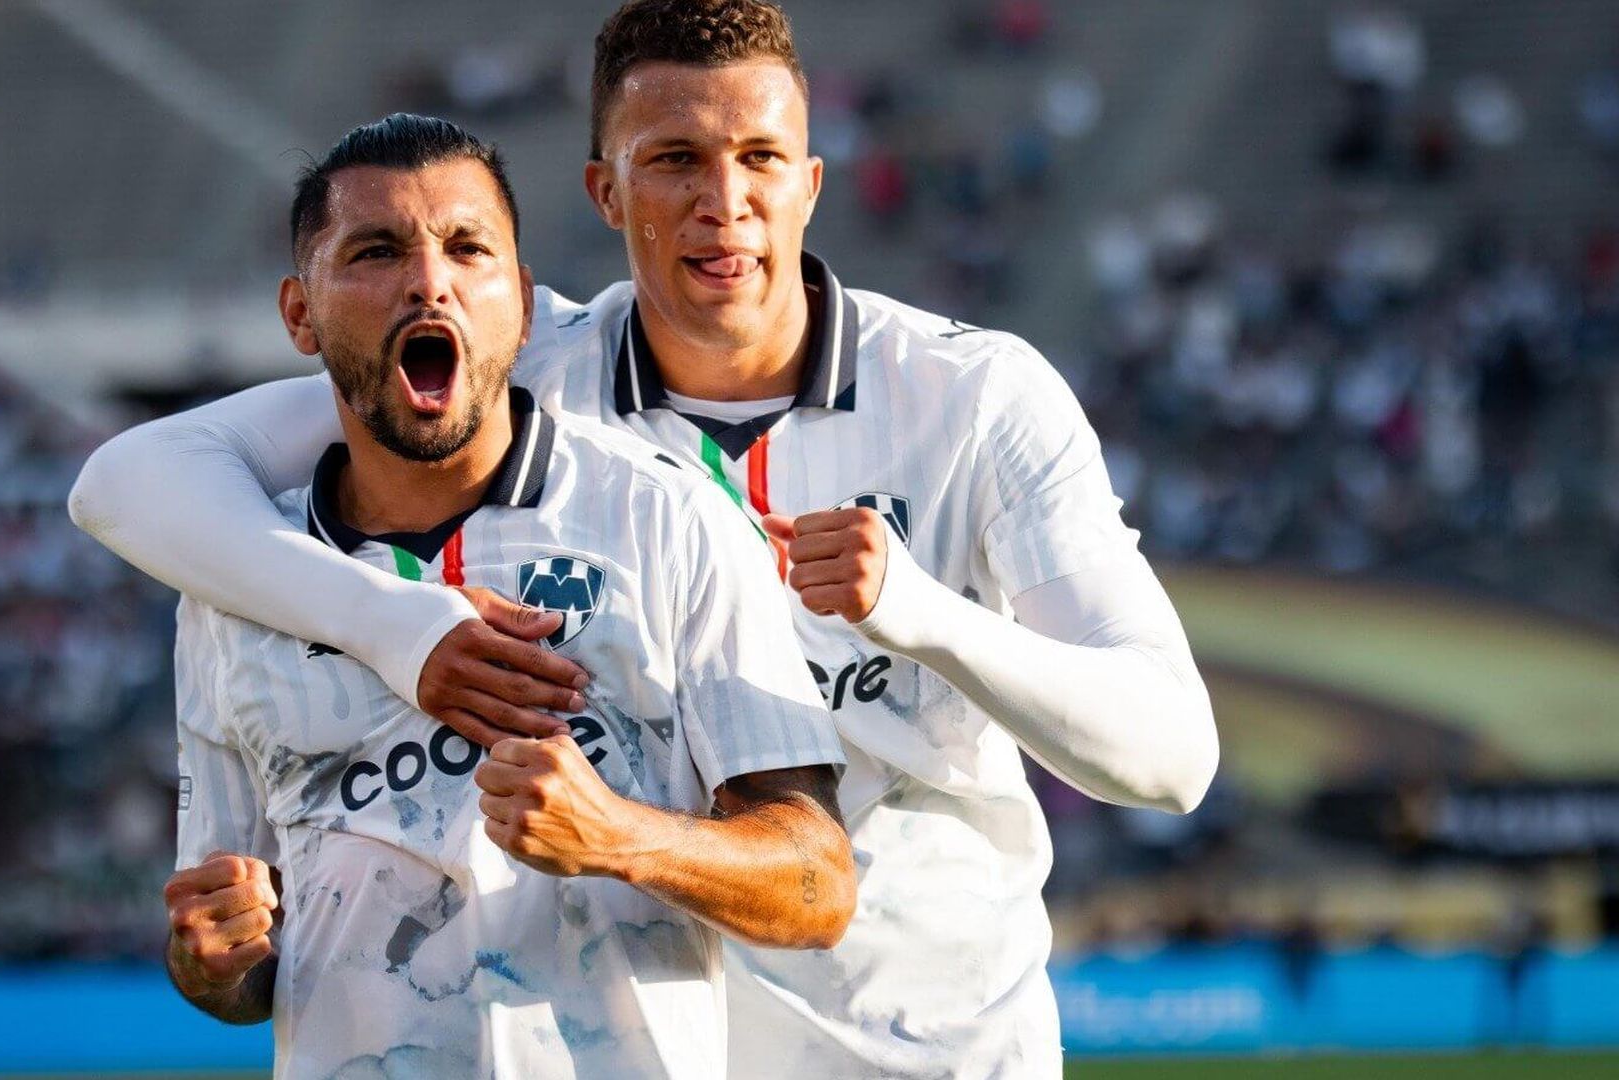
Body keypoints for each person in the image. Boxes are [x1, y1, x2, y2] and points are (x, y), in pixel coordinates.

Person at [72, 2, 1219, 1075]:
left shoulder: (972, 398)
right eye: (674, 159)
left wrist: (923, 617)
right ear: (606, 191)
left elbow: (1170, 759)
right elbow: (129, 482)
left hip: (934, 1048)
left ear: (811, 183)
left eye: (761, 157)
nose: (725, 199)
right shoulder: (520, 375)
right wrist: (395, 627)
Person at [158, 113, 854, 1079]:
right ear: (299, 313)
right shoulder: (232, 589)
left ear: (522, 305)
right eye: (375, 252)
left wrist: (621, 838)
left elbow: (819, 885)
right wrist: (213, 958)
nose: (428, 281)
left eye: (467, 248)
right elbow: (239, 955)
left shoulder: (670, 522)